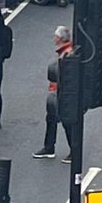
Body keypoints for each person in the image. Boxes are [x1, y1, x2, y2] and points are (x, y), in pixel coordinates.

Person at [33, 27, 74, 162]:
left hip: (62, 94)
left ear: (60, 38)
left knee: (67, 122)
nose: (54, 39)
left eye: (56, 36)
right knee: (51, 119)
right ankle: (49, 147)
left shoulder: (67, 54)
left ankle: (74, 150)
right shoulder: (65, 51)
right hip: (57, 92)